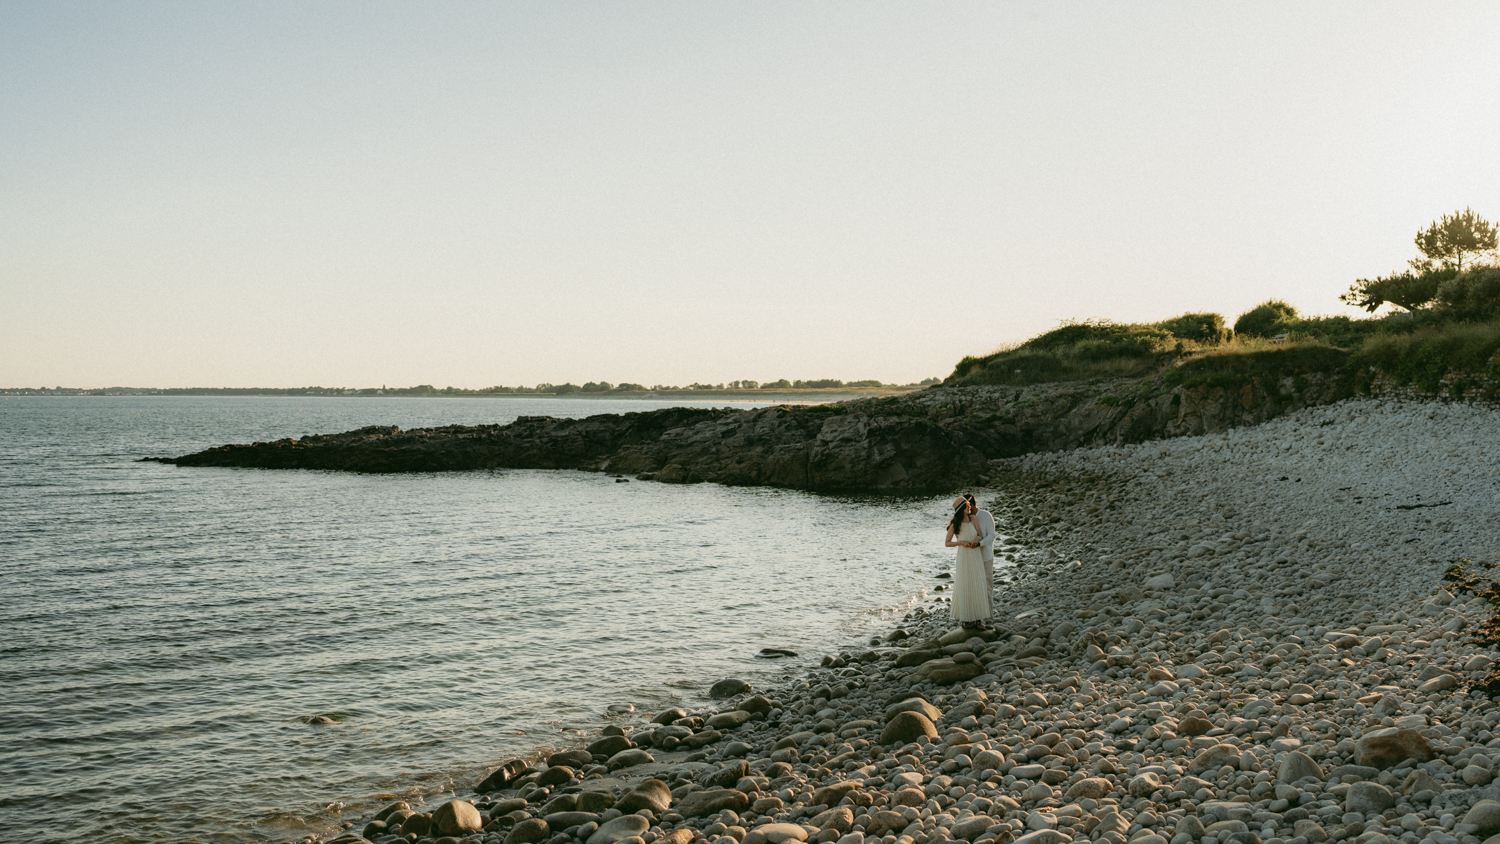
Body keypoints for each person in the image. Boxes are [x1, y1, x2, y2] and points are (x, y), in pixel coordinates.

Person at [944, 497, 992, 629]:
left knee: (977, 583)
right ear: (961, 509)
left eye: (969, 505)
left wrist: (977, 540)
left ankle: (977, 619)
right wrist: (961, 542)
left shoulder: (973, 519)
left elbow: (979, 534)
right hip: (963, 556)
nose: (969, 507)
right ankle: (966, 619)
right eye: (967, 506)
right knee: (965, 584)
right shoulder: (955, 524)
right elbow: (947, 543)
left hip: (975, 554)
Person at [962, 493, 997, 618]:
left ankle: (989, 618)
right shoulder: (965, 518)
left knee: (987, 588)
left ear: (970, 504)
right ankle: (976, 617)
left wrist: (979, 543)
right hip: (971, 557)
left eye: (965, 506)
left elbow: (991, 536)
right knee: (973, 588)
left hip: (985, 557)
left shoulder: (986, 516)